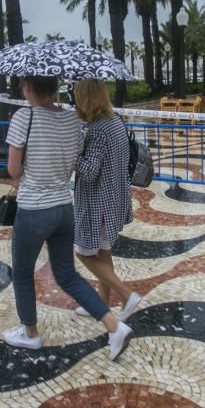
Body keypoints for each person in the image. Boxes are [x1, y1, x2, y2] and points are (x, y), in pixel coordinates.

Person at [3, 75, 133, 360]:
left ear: (28, 87)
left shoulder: (23, 117)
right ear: (54, 88)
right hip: (64, 208)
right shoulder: (71, 120)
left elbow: (13, 170)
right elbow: (73, 158)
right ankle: (114, 326)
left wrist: (30, 164)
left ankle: (30, 334)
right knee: (67, 274)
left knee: (23, 273)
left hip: (34, 209)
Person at [72, 79, 142, 319]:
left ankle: (126, 294)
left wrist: (70, 153)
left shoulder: (98, 130)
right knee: (103, 253)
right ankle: (100, 305)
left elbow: (89, 172)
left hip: (99, 204)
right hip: (113, 199)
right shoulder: (114, 122)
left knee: (83, 252)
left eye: (77, 97)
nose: (74, 102)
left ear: (86, 99)